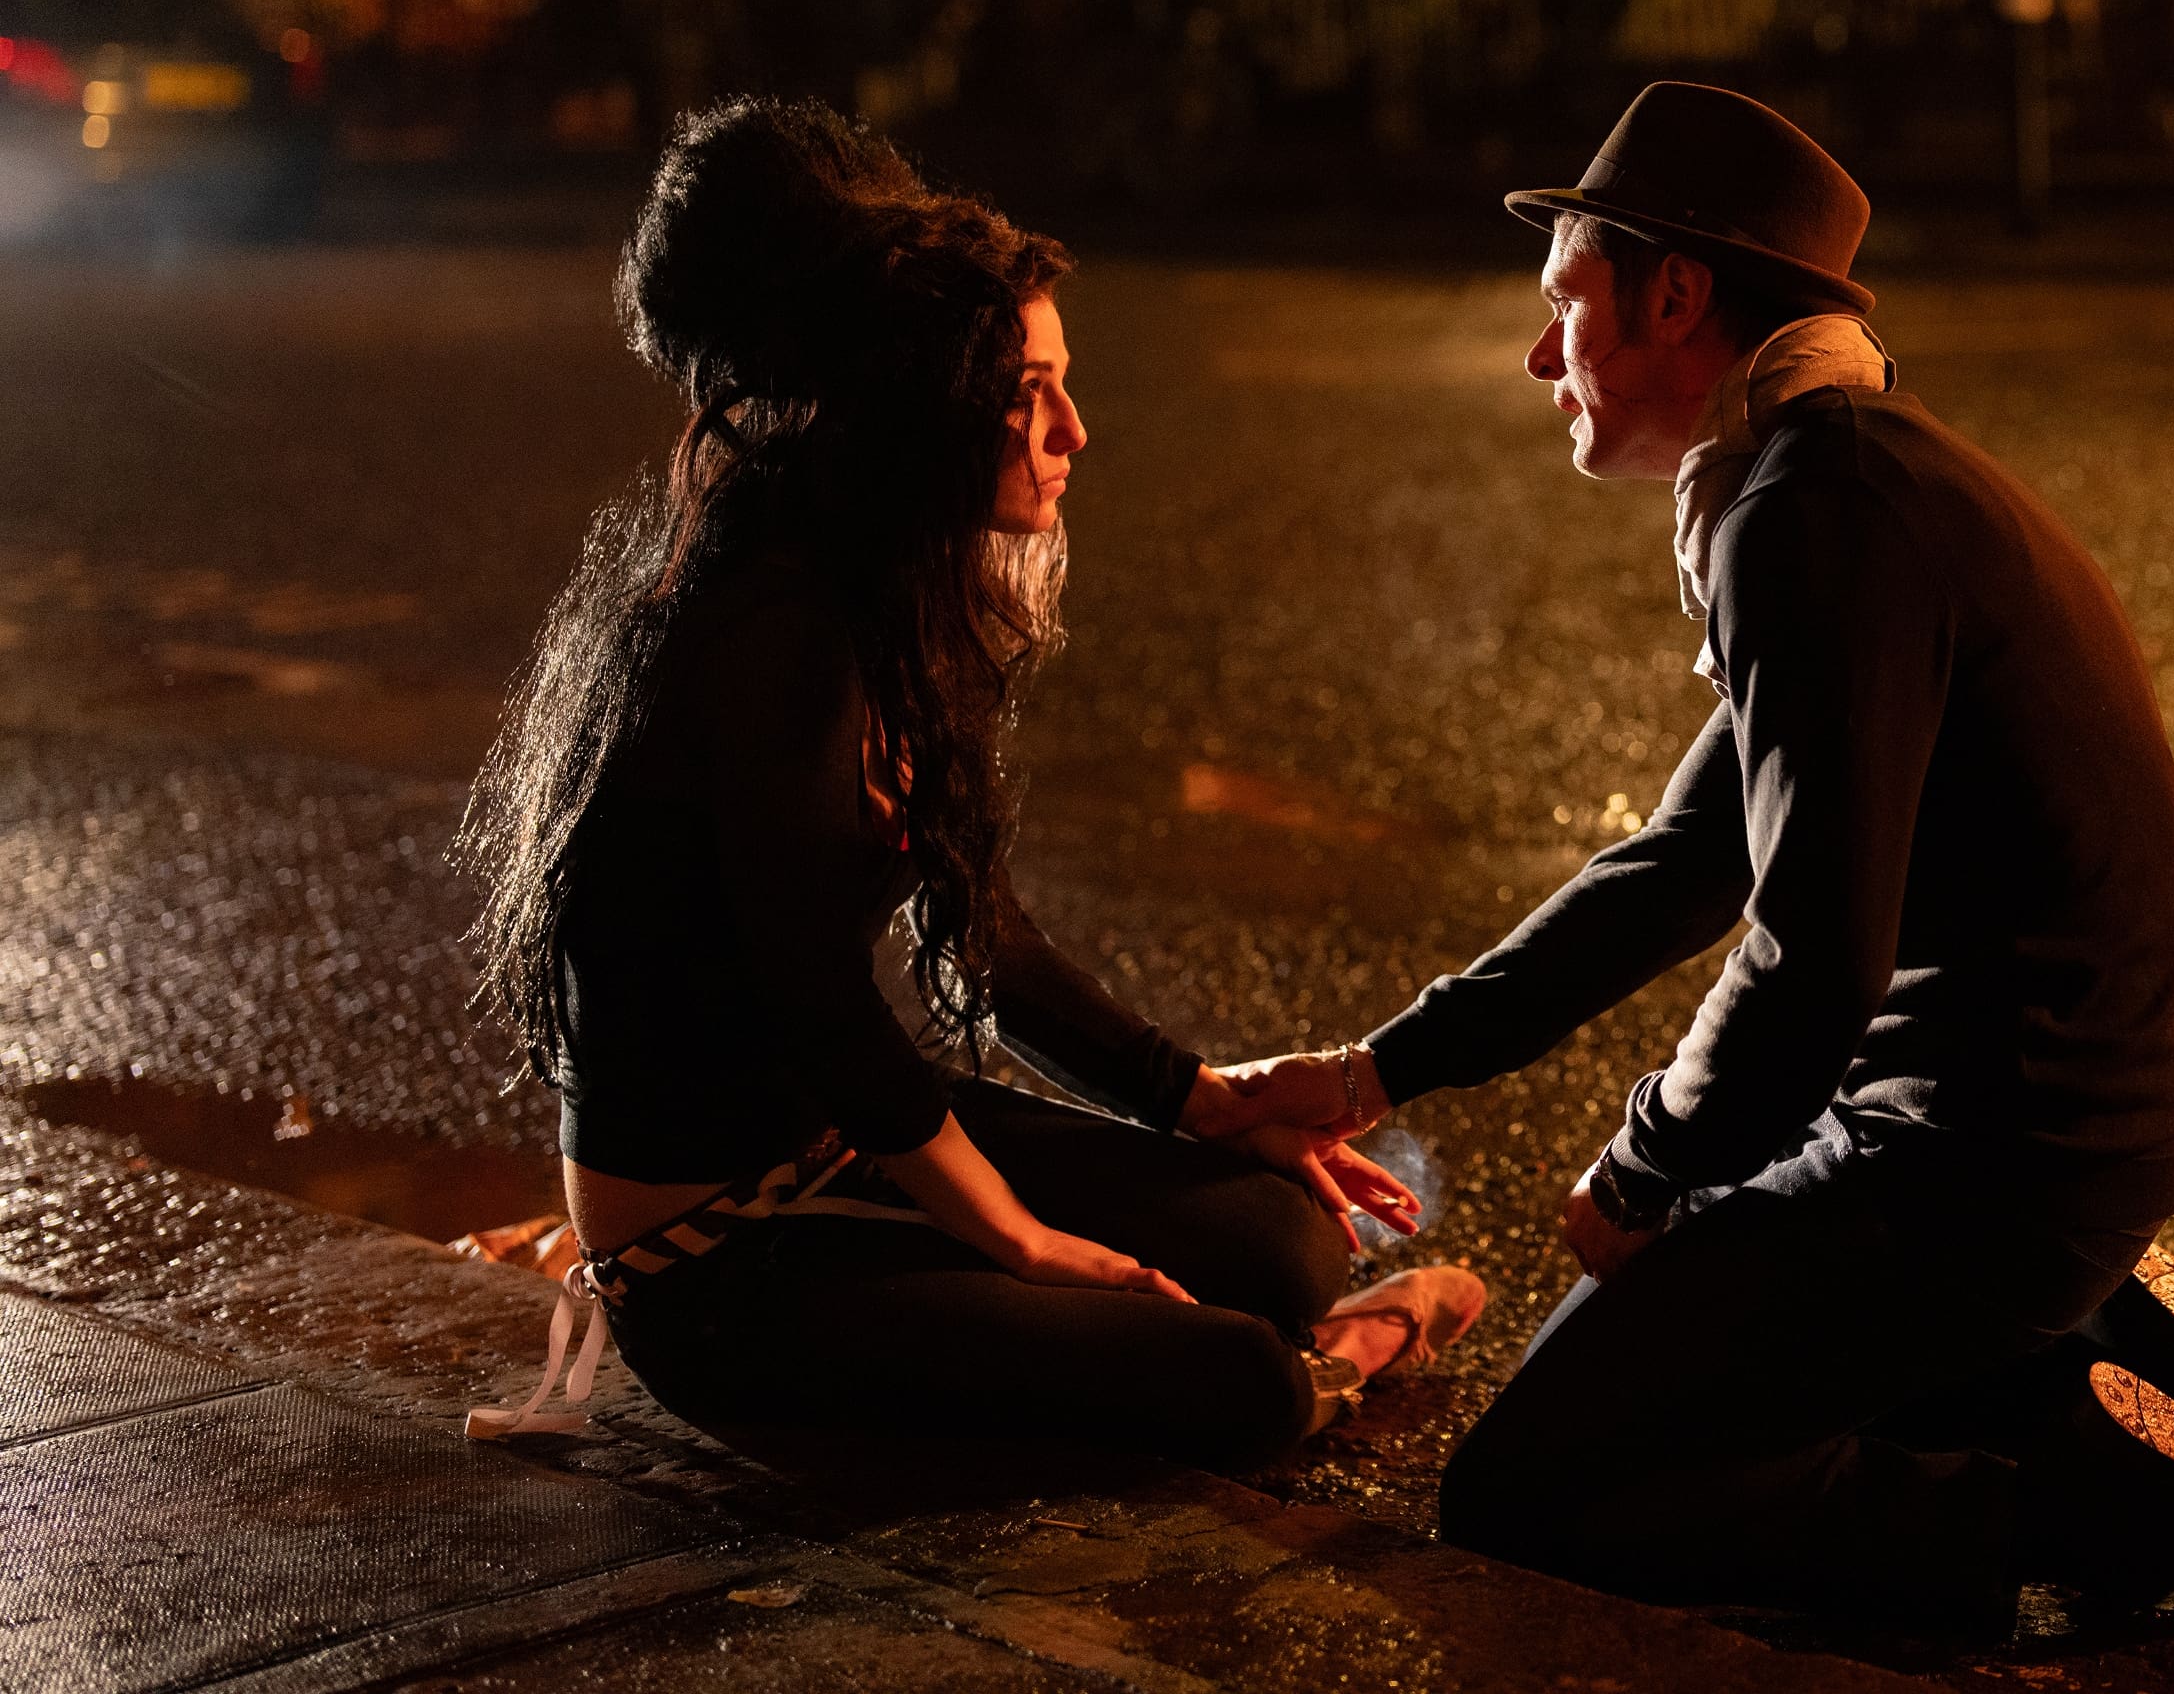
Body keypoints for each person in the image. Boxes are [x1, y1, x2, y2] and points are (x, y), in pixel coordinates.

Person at [1273, 83, 2174, 1623]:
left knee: (1528, 1498)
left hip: (1988, 1160)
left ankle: (2073, 1492)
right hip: (2041, 1130)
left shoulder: (1818, 513)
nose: (1542, 357)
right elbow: (1684, 864)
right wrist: (1372, 1074)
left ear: (1676, 296)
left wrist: (1644, 1170)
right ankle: (2085, 1353)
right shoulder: (1836, 473)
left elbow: (1813, 961)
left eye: (1565, 305)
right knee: (1648, 1394)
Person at [455, 98, 1477, 1462]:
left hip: (840, 1150)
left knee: (1282, 1240)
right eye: (1024, 396)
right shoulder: (768, 638)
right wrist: (1025, 1244)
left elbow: (982, 930)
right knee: (1238, 1376)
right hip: (715, 1260)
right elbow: (825, 1013)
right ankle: (1341, 1361)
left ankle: (1239, 1325)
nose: (1073, 432)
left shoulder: (884, 593)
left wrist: (1209, 1100)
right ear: (917, 414)